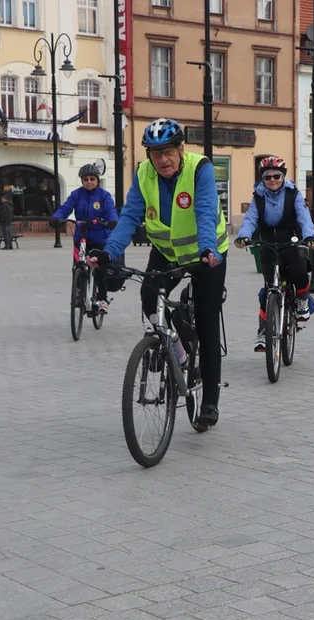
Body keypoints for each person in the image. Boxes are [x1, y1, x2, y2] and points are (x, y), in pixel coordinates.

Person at [94, 118, 228, 430]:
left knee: (207, 323)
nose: (162, 159)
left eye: (167, 151)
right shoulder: (143, 173)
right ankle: (178, 352)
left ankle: (209, 401)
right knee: (148, 296)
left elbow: (206, 211)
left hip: (205, 254)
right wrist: (109, 252)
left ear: (181, 149)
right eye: (155, 154)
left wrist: (209, 249)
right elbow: (129, 216)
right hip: (167, 252)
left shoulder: (200, 168)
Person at [234, 156, 314, 352]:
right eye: (268, 177)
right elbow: (251, 219)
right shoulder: (258, 196)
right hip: (267, 243)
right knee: (268, 289)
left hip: (290, 240)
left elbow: (304, 216)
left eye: (276, 176)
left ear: (283, 176)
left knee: (298, 270)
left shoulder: (293, 193)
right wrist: (243, 236)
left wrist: (310, 235)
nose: (272, 180)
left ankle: (302, 302)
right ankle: (263, 331)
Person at [50, 163, 120, 311]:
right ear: (82, 181)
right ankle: (78, 291)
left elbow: (111, 211)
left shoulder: (104, 196)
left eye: (92, 179)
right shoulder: (76, 195)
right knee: (77, 265)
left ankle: (102, 299)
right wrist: (57, 217)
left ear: (97, 180)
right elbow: (66, 208)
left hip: (100, 237)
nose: (89, 182)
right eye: (86, 179)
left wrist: (113, 221)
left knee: (100, 268)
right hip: (81, 237)